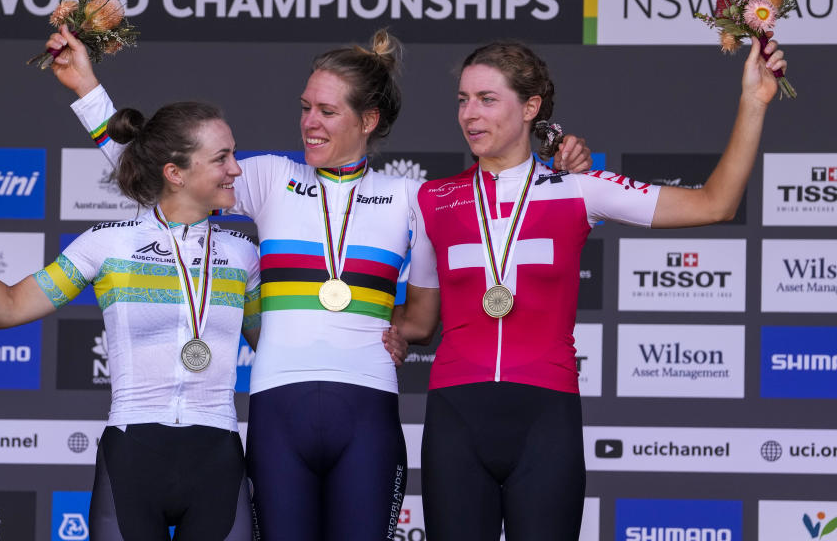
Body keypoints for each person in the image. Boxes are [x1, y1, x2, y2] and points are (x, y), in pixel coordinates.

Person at [44, 27, 593, 539]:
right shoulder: (268, 178)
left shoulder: (410, 199)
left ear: (369, 119)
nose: (310, 122)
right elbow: (161, 169)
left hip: (368, 410)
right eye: (306, 107)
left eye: (328, 111)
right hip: (280, 410)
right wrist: (87, 88)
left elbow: (430, 313)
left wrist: (561, 156)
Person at [396, 34, 786, 540]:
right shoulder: (433, 199)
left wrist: (753, 103)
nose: (470, 113)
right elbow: (420, 322)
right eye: (463, 99)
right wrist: (355, 324)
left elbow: (716, 204)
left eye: (488, 99)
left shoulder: (580, 188)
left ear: (531, 107)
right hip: (454, 419)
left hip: (545, 420)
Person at [0, 101, 260, 540]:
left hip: (219, 455)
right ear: (175, 173)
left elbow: (275, 346)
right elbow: (6, 308)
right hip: (133, 454)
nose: (237, 169)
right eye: (222, 158)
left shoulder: (243, 254)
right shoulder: (108, 245)